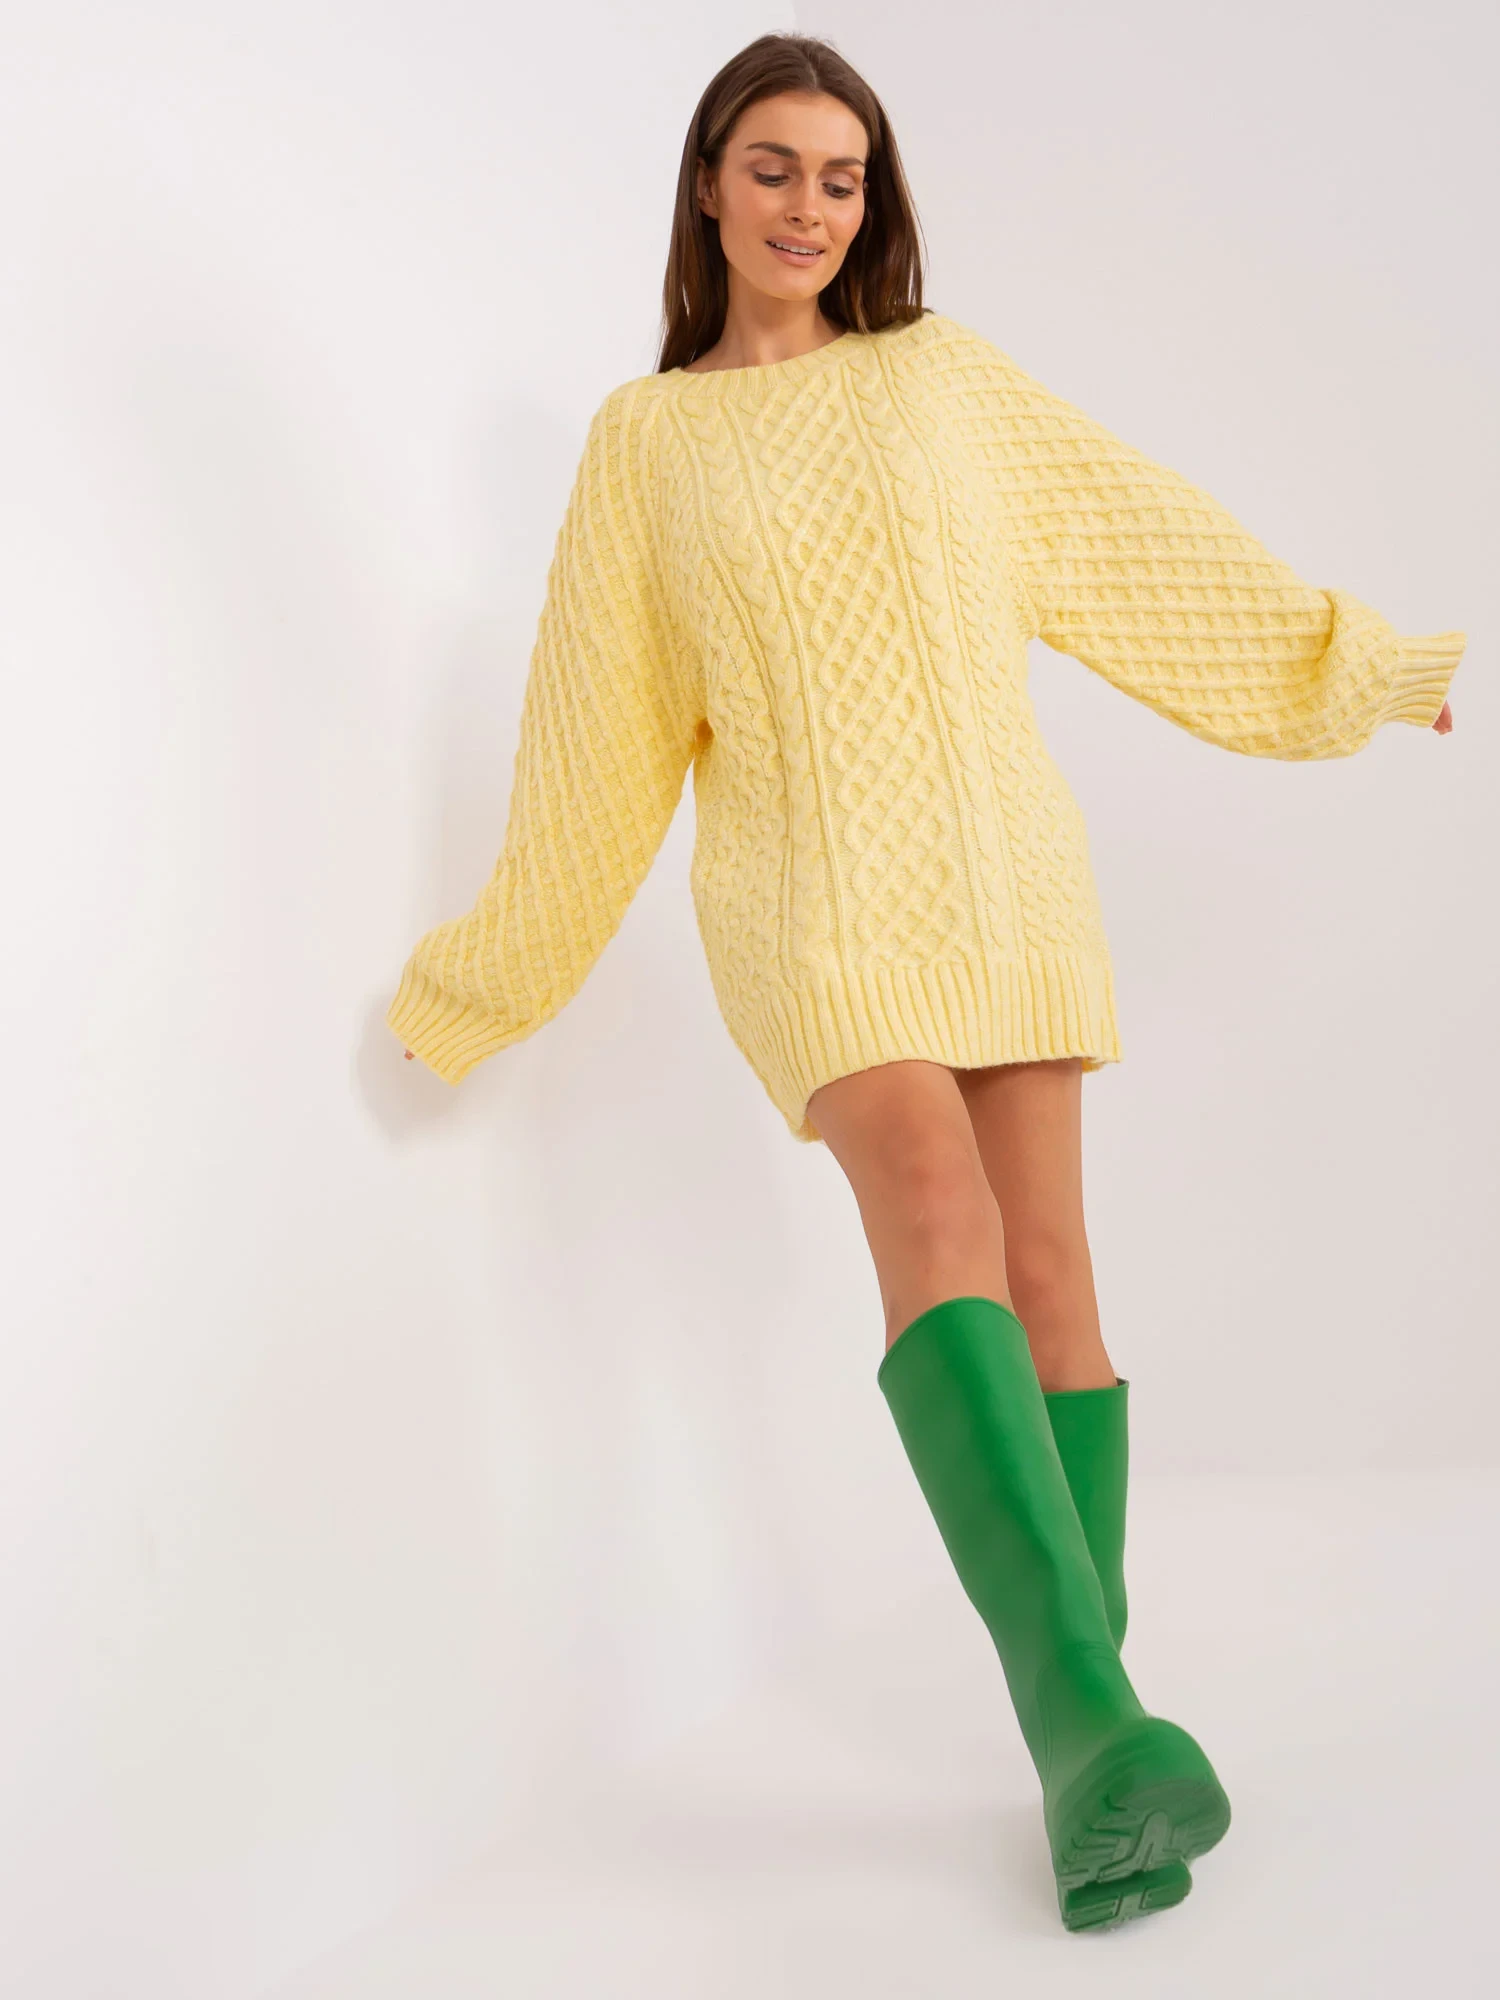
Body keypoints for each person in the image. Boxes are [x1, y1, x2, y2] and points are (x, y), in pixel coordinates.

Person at [387, 33, 1463, 1933]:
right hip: (808, 905)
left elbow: (1141, 544)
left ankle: (1096, 1760)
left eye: (844, 177)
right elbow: (593, 751)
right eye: (774, 167)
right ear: (707, 183)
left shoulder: (941, 376)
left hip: (1001, 872)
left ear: (869, 203)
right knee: (930, 1201)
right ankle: (1086, 1727)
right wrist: (484, 981)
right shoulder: (647, 445)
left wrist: (1353, 668)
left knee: (1051, 1277)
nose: (809, 207)